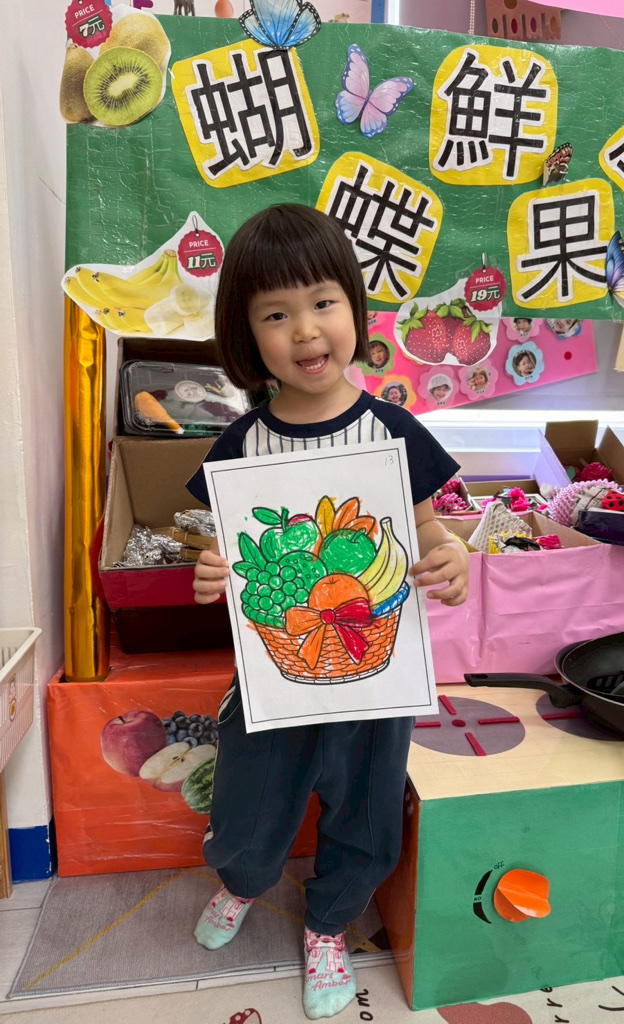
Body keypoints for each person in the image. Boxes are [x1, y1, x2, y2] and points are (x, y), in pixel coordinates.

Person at [186, 204, 469, 1021]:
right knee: (248, 804)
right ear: (247, 334)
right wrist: (210, 572)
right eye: (276, 315)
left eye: (322, 302)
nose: (306, 331)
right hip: (274, 676)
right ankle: (243, 881)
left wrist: (449, 555)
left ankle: (329, 924)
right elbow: (225, 551)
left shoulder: (394, 431)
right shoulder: (240, 447)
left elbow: (426, 530)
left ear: (353, 305)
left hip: (375, 678)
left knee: (367, 810)